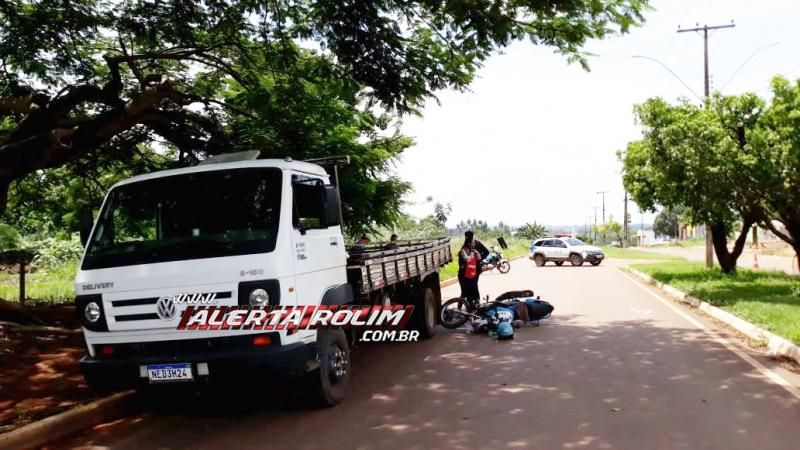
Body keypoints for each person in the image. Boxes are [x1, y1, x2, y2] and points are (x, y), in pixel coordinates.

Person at [458, 231, 482, 301]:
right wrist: (471, 253)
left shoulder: (473, 250)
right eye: (472, 243)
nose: (473, 244)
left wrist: (476, 252)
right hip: (464, 275)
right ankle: (459, 308)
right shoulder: (463, 250)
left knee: (473, 292)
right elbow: (467, 260)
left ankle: (473, 306)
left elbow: (479, 258)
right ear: (468, 243)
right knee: (464, 293)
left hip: (472, 274)